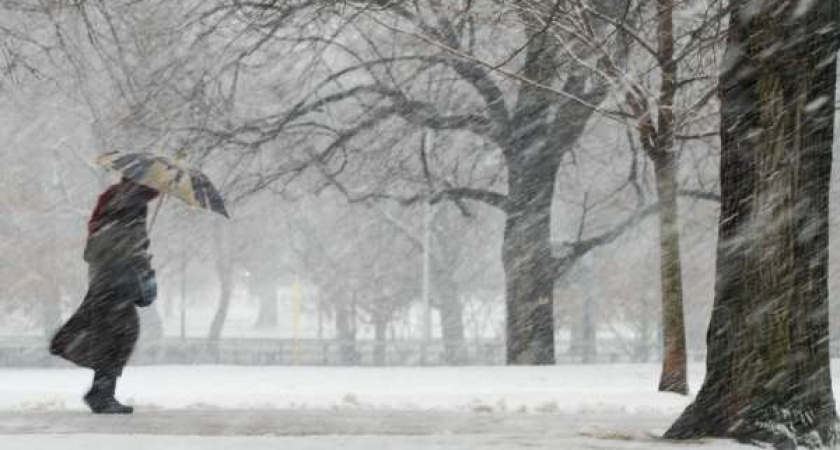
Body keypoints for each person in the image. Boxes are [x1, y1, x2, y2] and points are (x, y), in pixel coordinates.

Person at [50, 178, 159, 414]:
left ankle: (101, 392)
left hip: (104, 281)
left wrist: (138, 250)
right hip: (116, 282)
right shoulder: (133, 205)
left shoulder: (114, 202)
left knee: (113, 337)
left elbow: (98, 247)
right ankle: (101, 394)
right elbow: (131, 247)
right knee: (119, 337)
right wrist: (142, 261)